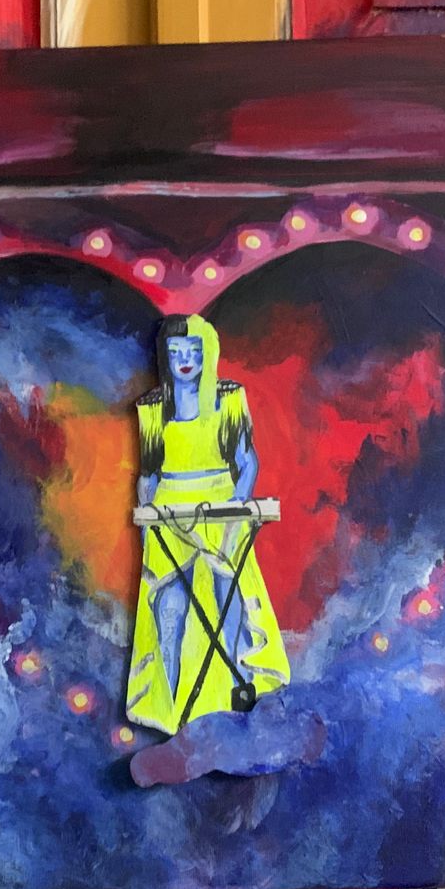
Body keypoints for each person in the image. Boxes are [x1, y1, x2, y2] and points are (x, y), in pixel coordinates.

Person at [126, 314, 289, 736]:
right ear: (165, 357)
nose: (185, 359)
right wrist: (145, 521)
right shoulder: (151, 409)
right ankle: (170, 710)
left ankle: (236, 697)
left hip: (222, 507)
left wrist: (238, 501)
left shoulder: (230, 399)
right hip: (167, 511)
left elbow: (247, 462)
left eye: (194, 351)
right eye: (176, 352)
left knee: (228, 600)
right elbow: (149, 474)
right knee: (169, 609)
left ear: (208, 353)